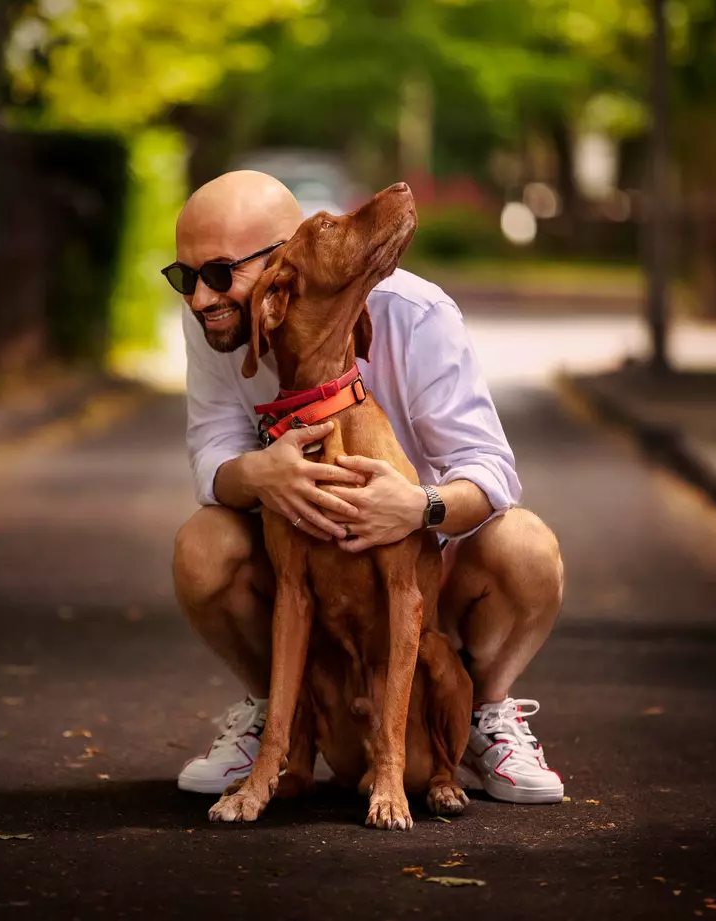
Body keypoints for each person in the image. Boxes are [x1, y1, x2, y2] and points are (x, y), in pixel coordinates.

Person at [169, 170, 565, 805]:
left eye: (218, 274)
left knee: (527, 545)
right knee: (202, 546)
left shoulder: (415, 314)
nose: (197, 300)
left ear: (284, 263)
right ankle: (279, 716)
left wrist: (417, 508)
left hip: (424, 561)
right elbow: (211, 454)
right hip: (309, 573)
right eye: (183, 278)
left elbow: (491, 470)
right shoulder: (216, 322)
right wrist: (260, 472)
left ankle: (485, 715)